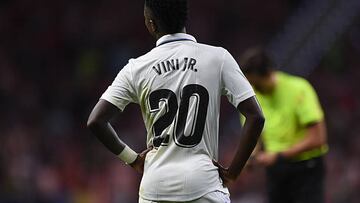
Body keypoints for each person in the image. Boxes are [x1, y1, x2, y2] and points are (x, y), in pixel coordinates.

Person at [87, 0, 265, 202]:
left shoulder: (135, 68)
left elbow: (96, 120)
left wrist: (133, 159)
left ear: (151, 24)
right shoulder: (218, 58)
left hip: (156, 187)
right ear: (184, 19)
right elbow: (255, 116)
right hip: (204, 184)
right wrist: (233, 172)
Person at [239, 47, 328, 203]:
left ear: (269, 73)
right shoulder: (250, 97)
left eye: (256, 84)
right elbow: (254, 138)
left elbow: (318, 138)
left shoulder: (299, 89)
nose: (253, 88)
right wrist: (251, 157)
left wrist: (278, 156)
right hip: (276, 171)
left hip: (306, 169)